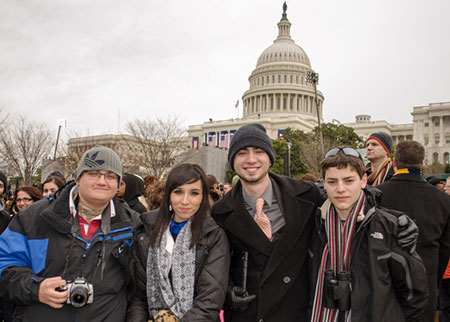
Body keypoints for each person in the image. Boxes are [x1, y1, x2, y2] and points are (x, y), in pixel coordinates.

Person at [0, 146, 137, 322]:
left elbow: (138, 287)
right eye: (94, 173)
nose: (102, 181)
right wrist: (35, 288)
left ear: (118, 185)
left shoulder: (131, 224)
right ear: (78, 178)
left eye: (110, 176)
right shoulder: (34, 218)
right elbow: (4, 264)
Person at [211, 123, 324, 321]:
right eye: (242, 153)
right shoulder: (220, 212)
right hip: (250, 313)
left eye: (259, 151)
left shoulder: (307, 195)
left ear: (270, 159)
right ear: (233, 161)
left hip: (298, 312)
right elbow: (214, 263)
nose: (251, 160)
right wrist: (227, 290)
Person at [310, 147, 428, 321]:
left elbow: (415, 292)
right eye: (333, 182)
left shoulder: (389, 227)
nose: (340, 189)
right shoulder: (314, 225)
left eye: (349, 180)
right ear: (324, 184)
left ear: (363, 180)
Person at [127, 163, 229, 321]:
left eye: (194, 193)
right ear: (169, 195)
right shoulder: (145, 231)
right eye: (178, 192)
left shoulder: (213, 236)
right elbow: (138, 296)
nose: (185, 201)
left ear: (202, 197)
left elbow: (210, 300)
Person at [377, 140, 450, 322]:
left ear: (394, 162)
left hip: (385, 283)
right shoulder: (443, 200)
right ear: (423, 163)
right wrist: (435, 281)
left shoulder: (377, 194)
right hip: (426, 282)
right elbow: (446, 248)